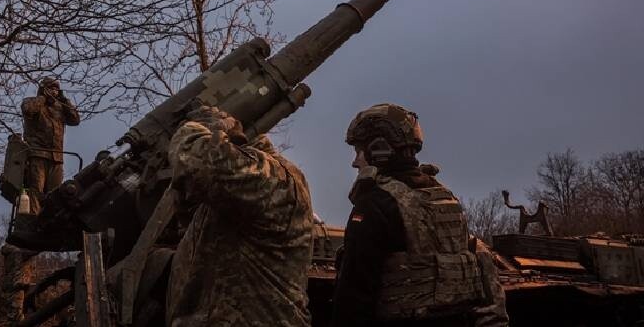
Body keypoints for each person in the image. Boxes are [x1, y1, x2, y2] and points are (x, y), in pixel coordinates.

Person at [332, 103, 508, 327]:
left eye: (359, 150)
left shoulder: (375, 204)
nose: (355, 161)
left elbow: (353, 299)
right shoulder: (445, 198)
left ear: (379, 148)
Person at [165, 105, 313, 327]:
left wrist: (198, 128)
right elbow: (189, 207)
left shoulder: (276, 179)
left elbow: (197, 163)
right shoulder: (233, 197)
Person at [21, 77, 80, 210]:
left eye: (56, 89)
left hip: (57, 158)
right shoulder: (33, 102)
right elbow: (27, 109)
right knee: (36, 192)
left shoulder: (60, 108)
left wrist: (64, 100)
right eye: (51, 89)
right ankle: (34, 222)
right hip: (38, 155)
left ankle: (48, 224)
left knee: (55, 195)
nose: (54, 92)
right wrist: (42, 98)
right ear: (43, 89)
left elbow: (75, 120)